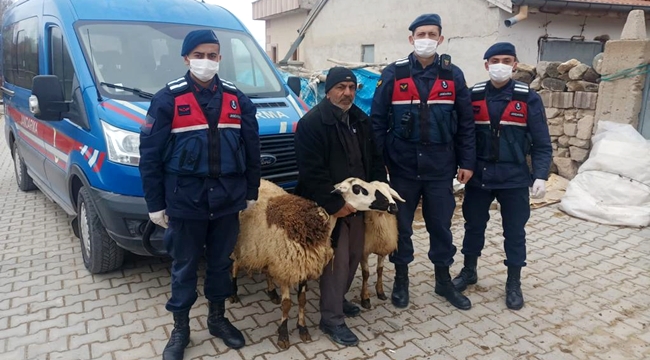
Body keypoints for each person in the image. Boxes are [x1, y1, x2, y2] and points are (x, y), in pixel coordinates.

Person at [139, 29, 261, 360]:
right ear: (186, 58)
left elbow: (252, 149)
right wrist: (155, 204)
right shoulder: (168, 100)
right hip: (185, 201)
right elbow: (149, 157)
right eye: (199, 55)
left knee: (221, 264)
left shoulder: (238, 99)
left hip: (226, 200)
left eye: (212, 55)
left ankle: (218, 320)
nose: (206, 62)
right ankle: (181, 329)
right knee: (184, 267)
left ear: (220, 58)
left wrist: (251, 191)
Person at [370, 14, 476, 310]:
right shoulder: (394, 73)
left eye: (432, 33)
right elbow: (376, 122)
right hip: (402, 167)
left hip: (440, 167)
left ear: (440, 39)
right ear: (411, 38)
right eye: (421, 33)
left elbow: (466, 123)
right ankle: (401, 280)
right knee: (402, 227)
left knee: (440, 226)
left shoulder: (452, 75)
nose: (426, 38)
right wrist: (381, 166)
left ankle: (443, 282)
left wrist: (467, 161)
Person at [452, 42, 552, 310]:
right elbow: (462, 136)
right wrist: (460, 165)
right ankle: (469, 271)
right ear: (486, 65)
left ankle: (513, 282)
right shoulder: (473, 95)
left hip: (514, 177)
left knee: (515, 232)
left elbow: (542, 142)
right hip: (479, 176)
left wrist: (540, 175)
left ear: (515, 64)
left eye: (506, 60)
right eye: (495, 60)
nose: (500, 65)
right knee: (473, 227)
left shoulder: (528, 97)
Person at [294, 67, 387, 346]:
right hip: (328, 205)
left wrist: (379, 191)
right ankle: (331, 319)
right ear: (328, 90)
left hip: (359, 202)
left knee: (356, 253)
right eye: (340, 87)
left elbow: (373, 158)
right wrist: (335, 204)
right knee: (337, 259)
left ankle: (337, 300)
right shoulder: (312, 124)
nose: (347, 93)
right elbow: (311, 171)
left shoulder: (359, 119)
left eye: (351, 87)